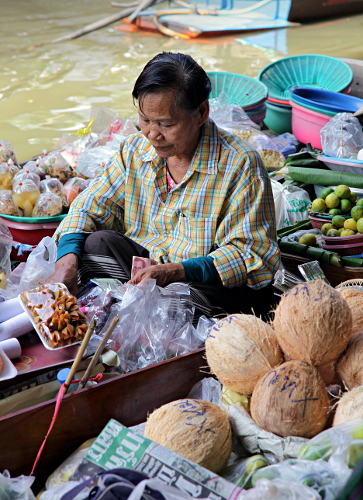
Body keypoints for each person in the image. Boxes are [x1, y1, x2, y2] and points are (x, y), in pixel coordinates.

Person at [46, 51, 280, 320]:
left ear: (201, 112)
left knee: (184, 301)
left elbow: (251, 254)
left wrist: (176, 271)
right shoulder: (134, 151)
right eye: (145, 120)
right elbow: (89, 207)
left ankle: (155, 314)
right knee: (94, 244)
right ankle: (141, 308)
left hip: (203, 282)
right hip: (148, 270)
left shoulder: (239, 164)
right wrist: (66, 261)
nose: (152, 134)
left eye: (166, 124)